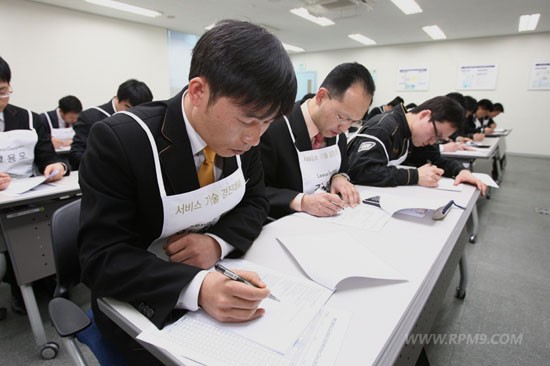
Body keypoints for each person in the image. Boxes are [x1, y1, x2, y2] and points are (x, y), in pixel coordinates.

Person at [78, 20, 296, 364]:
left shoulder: (243, 141)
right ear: (198, 91)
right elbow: (101, 257)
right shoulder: (122, 140)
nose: (255, 139)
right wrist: (196, 287)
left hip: (221, 272)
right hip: (143, 300)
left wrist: (216, 242)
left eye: (267, 123)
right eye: (248, 120)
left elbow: (255, 200)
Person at [260, 62, 374, 219]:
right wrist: (302, 201)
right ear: (321, 97)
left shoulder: (337, 132)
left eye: (353, 122)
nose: (345, 128)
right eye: (341, 117)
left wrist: (339, 177)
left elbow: (342, 168)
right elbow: (256, 190)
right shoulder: (274, 127)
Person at [0, 55, 69, 314]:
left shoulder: (30, 119)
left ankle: (48, 277)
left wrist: (57, 167)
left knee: (50, 221)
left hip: (28, 197)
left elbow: (46, 157)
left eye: (2, 92)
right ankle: (21, 286)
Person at [347, 96, 487, 195]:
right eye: (435, 134)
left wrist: (460, 171)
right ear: (424, 115)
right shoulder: (384, 128)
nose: (433, 141)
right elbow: (361, 170)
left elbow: (434, 160)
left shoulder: (412, 132)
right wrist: (415, 176)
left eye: (439, 139)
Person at [69, 78, 153, 170]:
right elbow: (76, 154)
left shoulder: (142, 118)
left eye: (138, 109)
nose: (132, 113)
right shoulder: (90, 117)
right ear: (117, 98)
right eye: (128, 107)